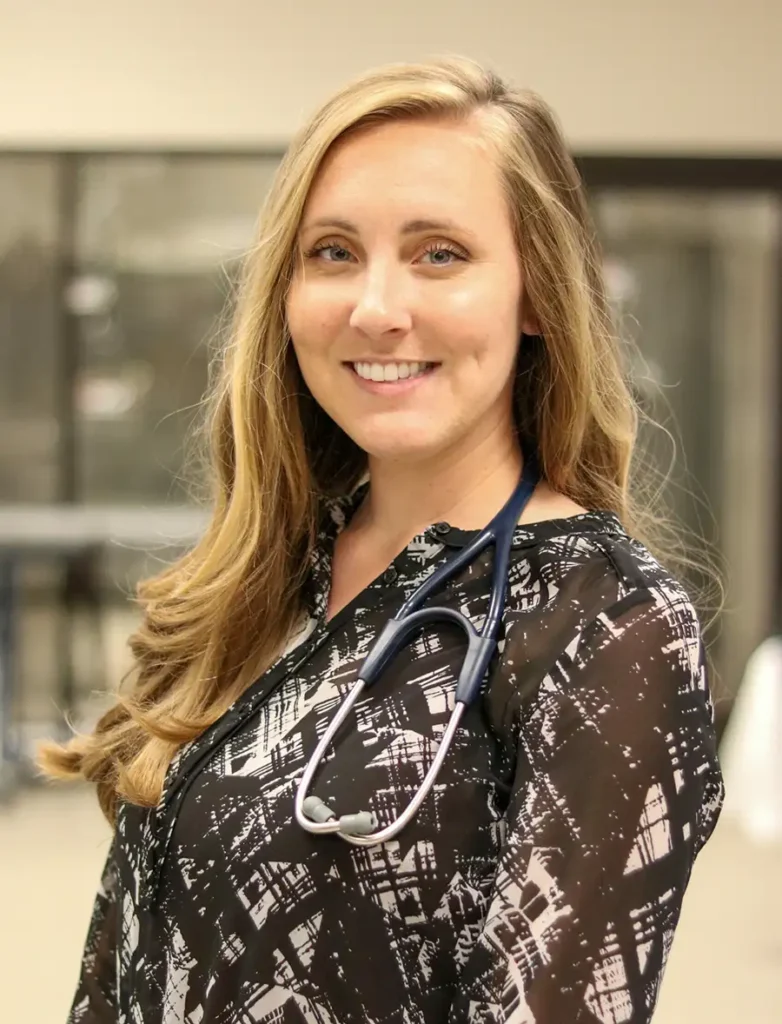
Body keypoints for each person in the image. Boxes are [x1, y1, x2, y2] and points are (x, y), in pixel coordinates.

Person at [40, 56, 724, 1023]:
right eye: (333, 253)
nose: (376, 308)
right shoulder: (270, 578)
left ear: (536, 296)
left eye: (440, 252)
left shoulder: (606, 624)